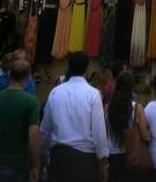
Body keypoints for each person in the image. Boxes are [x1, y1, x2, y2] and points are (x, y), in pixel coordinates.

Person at [40, 51, 109, 182]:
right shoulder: (93, 94)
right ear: (86, 69)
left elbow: (45, 129)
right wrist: (103, 162)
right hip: (83, 160)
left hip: (58, 157)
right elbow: (99, 133)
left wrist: (43, 155)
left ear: (69, 67)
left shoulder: (56, 92)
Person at [106, 72, 146, 182]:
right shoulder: (137, 107)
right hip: (130, 152)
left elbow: (105, 129)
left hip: (111, 151)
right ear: (131, 87)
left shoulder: (108, 107)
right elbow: (144, 134)